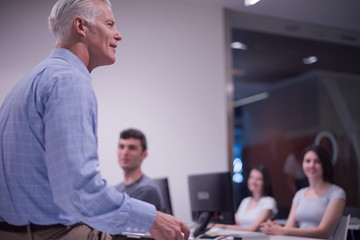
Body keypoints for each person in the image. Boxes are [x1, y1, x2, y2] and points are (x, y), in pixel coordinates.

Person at [0, 0, 189, 239]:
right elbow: (78, 189)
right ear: (81, 26)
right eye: (109, 24)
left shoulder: (30, 80)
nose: (118, 35)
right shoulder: (69, 81)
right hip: (53, 233)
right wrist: (152, 218)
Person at [260, 145, 346, 239]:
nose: (311, 165)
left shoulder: (336, 193)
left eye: (317, 161)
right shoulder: (300, 194)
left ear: (324, 164)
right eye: (307, 161)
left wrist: (282, 230)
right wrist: (273, 227)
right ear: (302, 164)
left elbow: (323, 232)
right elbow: (289, 227)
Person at [213, 165, 278, 232]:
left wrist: (223, 226)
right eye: (251, 177)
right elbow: (234, 222)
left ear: (265, 182)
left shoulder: (269, 201)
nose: (253, 181)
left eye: (258, 179)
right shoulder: (246, 200)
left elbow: (252, 229)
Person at [115, 128, 164, 211]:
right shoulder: (116, 189)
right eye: (121, 147)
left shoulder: (147, 191)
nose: (124, 152)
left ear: (144, 154)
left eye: (132, 148)